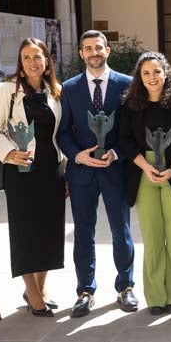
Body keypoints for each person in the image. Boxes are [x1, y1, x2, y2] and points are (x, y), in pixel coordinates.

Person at [0, 37, 66, 317]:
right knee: (26, 233)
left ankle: (39, 290)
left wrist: (64, 169)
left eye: (38, 57)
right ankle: (33, 294)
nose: (33, 62)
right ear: (20, 63)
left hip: (50, 172)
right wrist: (8, 153)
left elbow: (59, 135)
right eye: (27, 57)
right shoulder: (5, 90)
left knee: (49, 233)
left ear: (46, 62)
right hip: (21, 171)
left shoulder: (55, 91)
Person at [56, 31, 138, 317]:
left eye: (98, 47)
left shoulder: (126, 85)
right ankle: (85, 291)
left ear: (108, 50)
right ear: (81, 53)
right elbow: (63, 131)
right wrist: (78, 156)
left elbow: (131, 130)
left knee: (121, 231)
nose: (94, 52)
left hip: (115, 170)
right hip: (82, 173)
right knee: (83, 233)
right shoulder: (69, 88)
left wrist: (116, 153)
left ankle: (125, 287)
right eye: (88, 48)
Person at [119, 52, 171, 315]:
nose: (152, 77)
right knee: (152, 238)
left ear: (166, 73)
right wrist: (147, 167)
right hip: (143, 173)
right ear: (140, 76)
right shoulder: (130, 105)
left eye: (157, 72)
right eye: (146, 73)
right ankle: (156, 298)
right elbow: (124, 140)